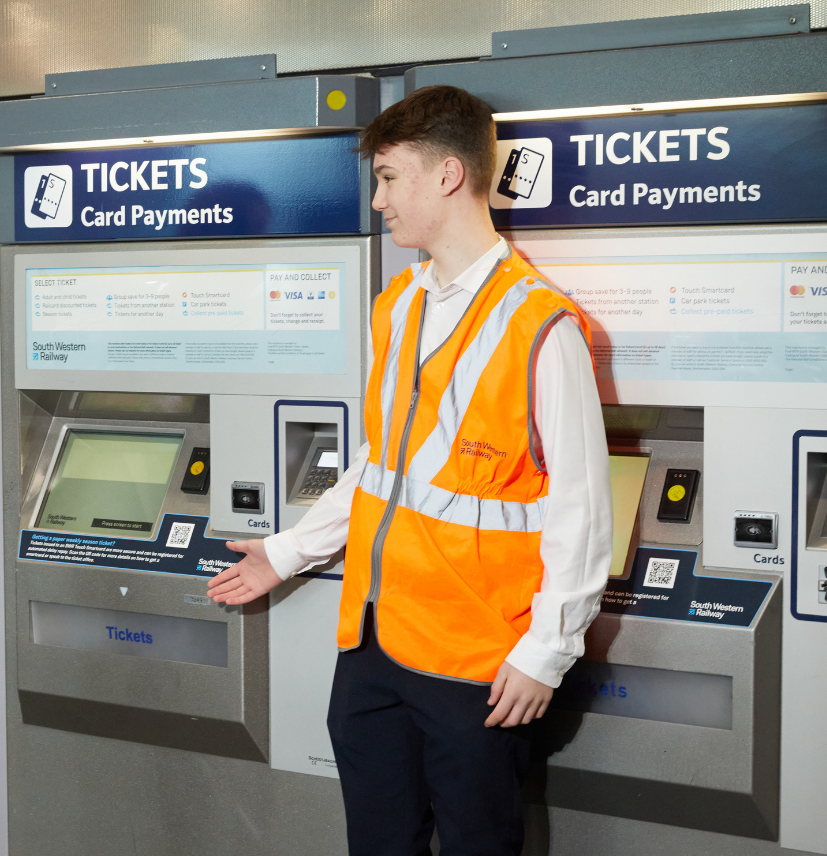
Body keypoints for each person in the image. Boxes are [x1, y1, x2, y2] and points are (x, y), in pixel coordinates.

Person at [208, 86, 611, 855]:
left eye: (391, 177)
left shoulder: (541, 326)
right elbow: (383, 464)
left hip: (477, 661)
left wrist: (547, 651)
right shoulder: (398, 304)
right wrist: (289, 551)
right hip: (373, 647)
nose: (378, 198)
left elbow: (582, 507)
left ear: (449, 175)